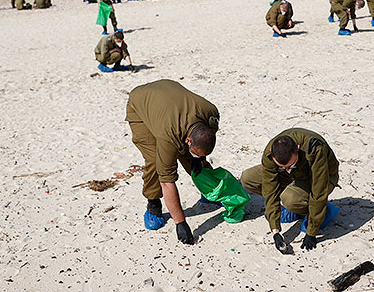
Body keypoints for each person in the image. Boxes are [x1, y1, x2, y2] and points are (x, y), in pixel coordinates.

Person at [125, 79, 220, 243]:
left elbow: (201, 141)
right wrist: (180, 222)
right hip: (140, 104)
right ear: (188, 139)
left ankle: (209, 190)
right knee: (155, 161)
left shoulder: (211, 114)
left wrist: (198, 159)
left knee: (193, 157)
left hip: (167, 97)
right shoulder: (168, 136)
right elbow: (167, 181)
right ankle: (153, 204)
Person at [240, 128, 339, 253]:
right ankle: (300, 206)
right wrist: (275, 231)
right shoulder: (270, 153)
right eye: (282, 166)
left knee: (290, 199)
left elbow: (319, 190)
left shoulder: (314, 148)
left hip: (321, 175)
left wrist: (311, 232)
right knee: (248, 178)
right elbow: (270, 191)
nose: (286, 169)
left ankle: (321, 211)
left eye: (290, 165)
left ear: (297, 149)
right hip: (295, 175)